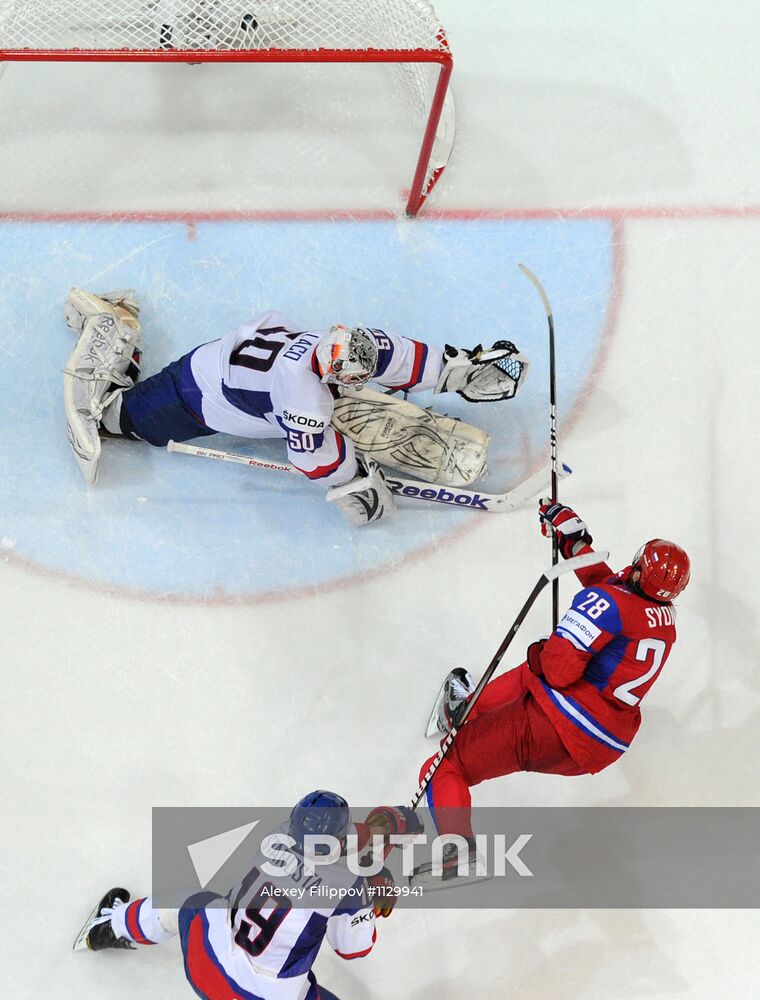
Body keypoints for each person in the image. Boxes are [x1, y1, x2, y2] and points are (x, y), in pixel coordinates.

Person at [62, 288, 529, 524]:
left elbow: (399, 356)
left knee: (329, 407)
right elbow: (310, 454)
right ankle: (112, 325)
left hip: (235, 360)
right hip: (197, 394)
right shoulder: (301, 392)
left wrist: (459, 371)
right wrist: (352, 483)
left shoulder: (348, 344)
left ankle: (348, 407)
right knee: (117, 419)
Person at [415, 501, 691, 880]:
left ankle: (456, 848)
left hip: (557, 729)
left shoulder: (613, 603)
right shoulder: (663, 617)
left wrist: (545, 652)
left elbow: (560, 670)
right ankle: (469, 708)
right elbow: (612, 593)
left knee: (446, 766)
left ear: (641, 567)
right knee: (534, 673)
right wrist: (574, 542)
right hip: (599, 742)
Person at [74, 791, 421, 1000]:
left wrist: (380, 840)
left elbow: (339, 849)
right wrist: (374, 898)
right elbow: (353, 948)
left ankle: (106, 929)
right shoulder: (347, 888)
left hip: (208, 961)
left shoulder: (279, 834)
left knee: (184, 902)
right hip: (264, 997)